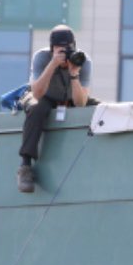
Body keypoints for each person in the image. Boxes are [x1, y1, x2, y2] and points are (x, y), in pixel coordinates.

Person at [17, 25, 93, 193]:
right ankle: (25, 166)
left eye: (68, 49)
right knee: (35, 109)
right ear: (52, 49)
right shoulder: (42, 58)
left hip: (72, 97)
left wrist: (74, 74)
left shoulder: (83, 61)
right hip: (45, 96)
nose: (65, 54)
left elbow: (81, 103)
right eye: (60, 50)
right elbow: (37, 93)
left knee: (103, 109)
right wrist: (52, 64)